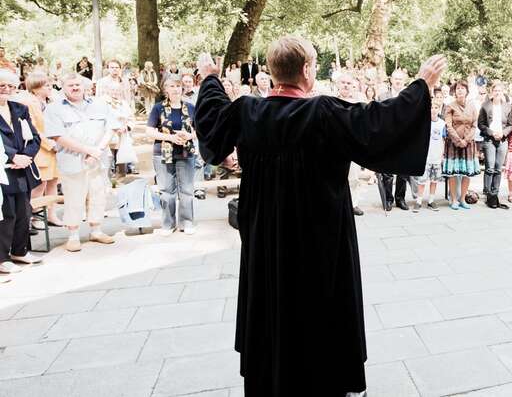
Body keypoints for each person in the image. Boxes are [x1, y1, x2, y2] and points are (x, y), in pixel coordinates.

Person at [194, 37, 445, 396]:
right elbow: (380, 123)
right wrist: (421, 86)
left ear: (272, 72)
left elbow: (212, 118)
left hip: (267, 240)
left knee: (270, 304)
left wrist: (210, 77)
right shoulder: (324, 114)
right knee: (320, 309)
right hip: (319, 244)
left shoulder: (247, 113)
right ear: (308, 71)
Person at [43, 72, 119, 252]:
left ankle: (96, 230)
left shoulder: (100, 105)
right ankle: (73, 235)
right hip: (72, 160)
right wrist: (88, 150)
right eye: (71, 85)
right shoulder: (54, 109)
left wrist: (97, 150)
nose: (75, 88)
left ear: (84, 86)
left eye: (78, 85)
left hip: (98, 160)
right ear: (63, 87)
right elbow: (58, 136)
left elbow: (111, 128)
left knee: (98, 195)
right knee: (74, 198)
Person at [0, 69, 42, 276]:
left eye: (11, 86)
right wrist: (11, 156)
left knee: (24, 211)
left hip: (23, 168)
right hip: (4, 169)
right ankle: (2, 257)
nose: (6, 90)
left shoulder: (19, 108)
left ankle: (19, 250)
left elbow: (34, 137)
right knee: (6, 214)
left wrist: (27, 156)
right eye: (2, 86)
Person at [147, 75, 197, 235]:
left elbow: (200, 130)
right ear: (165, 89)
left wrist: (189, 136)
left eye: (178, 86)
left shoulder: (190, 107)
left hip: (185, 151)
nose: (176, 89)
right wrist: (170, 137)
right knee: (166, 191)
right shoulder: (158, 108)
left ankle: (187, 222)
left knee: (187, 190)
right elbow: (149, 131)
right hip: (163, 153)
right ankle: (168, 224)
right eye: (172, 86)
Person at [14, 73, 60, 217]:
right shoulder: (29, 103)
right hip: (40, 149)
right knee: (39, 186)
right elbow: (34, 129)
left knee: (53, 183)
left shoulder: (51, 102)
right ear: (36, 88)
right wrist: (50, 144)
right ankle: (34, 218)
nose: (50, 88)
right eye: (46, 85)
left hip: (55, 148)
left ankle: (52, 215)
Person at [378, 69, 415, 211]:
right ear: (391, 80)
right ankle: (388, 199)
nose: (398, 81)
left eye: (401, 79)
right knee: (387, 172)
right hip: (388, 139)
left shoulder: (409, 97)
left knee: (403, 172)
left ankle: (400, 199)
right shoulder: (382, 97)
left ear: (404, 80)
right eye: (396, 78)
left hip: (404, 139)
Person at [442, 81, 479, 210]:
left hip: (468, 143)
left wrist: (466, 140)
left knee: (466, 173)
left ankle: (463, 199)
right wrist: (458, 140)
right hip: (453, 143)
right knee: (452, 172)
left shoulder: (472, 106)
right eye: (458, 88)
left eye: (463, 88)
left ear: (467, 91)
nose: (460, 90)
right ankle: (453, 199)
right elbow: (448, 125)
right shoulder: (450, 106)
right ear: (454, 91)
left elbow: (474, 125)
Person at [335, 71, 365, 216]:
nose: (346, 86)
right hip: (336, 146)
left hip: (352, 145)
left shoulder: (358, 104)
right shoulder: (331, 101)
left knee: (353, 177)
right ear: (338, 85)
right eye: (343, 83)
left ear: (353, 86)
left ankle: (354, 204)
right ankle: (337, 204)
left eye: (349, 83)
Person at [478, 81, 511, 209]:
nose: (497, 93)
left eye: (500, 91)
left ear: (502, 92)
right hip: (489, 139)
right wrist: (491, 133)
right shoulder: (485, 106)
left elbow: (510, 125)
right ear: (492, 92)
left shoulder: (507, 106)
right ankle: (488, 193)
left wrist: (503, 133)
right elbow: (480, 124)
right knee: (489, 167)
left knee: (498, 168)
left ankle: (495, 192)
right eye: (495, 90)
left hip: (502, 139)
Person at [412, 101, 446, 211]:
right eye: (431, 107)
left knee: (434, 180)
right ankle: (419, 201)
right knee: (422, 181)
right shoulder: (424, 123)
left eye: (436, 107)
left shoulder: (442, 124)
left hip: (436, 156)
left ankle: (431, 200)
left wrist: (442, 155)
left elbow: (444, 140)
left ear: (439, 109)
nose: (434, 109)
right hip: (426, 156)